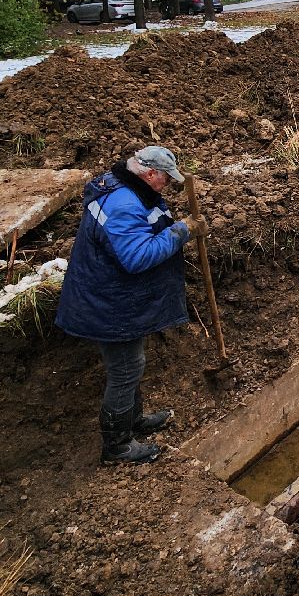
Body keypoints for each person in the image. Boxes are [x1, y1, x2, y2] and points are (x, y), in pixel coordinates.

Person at [57, 145, 208, 464]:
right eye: (166, 179)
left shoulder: (125, 186)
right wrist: (182, 231)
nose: (167, 185)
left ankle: (133, 421)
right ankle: (117, 446)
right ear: (150, 173)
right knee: (126, 369)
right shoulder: (123, 203)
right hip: (108, 302)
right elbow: (136, 257)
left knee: (131, 363)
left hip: (115, 294)